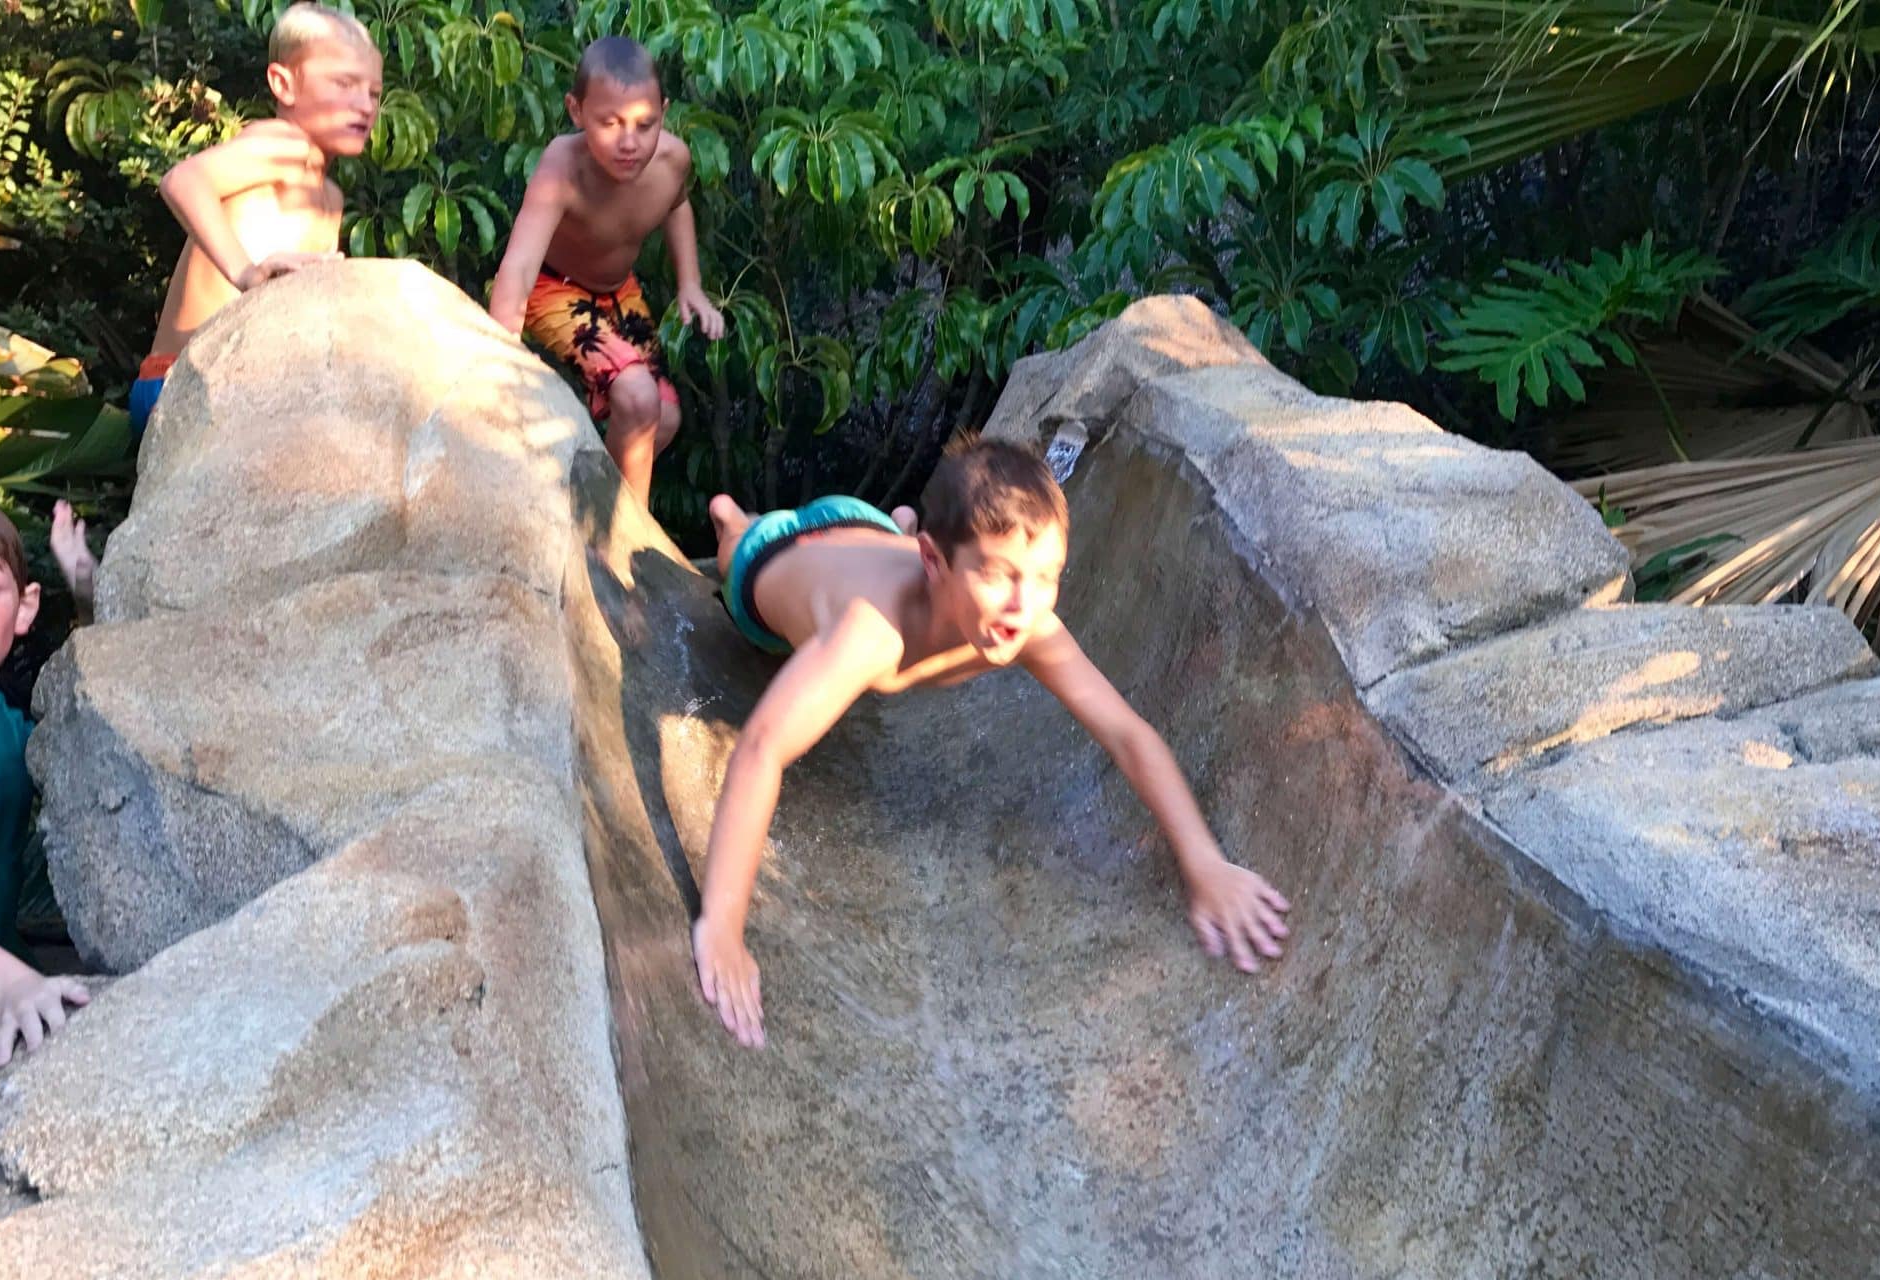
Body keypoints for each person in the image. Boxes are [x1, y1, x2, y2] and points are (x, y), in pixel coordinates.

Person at [694, 437, 1291, 1047]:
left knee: (890, 531)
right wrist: (723, 924)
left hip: (870, 531)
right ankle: (731, 517)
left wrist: (1203, 862)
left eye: (1045, 576)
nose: (1021, 604)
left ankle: (899, 524)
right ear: (936, 562)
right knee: (737, 554)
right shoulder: (868, 634)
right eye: (997, 573)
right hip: (781, 550)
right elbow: (762, 747)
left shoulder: (1023, 621)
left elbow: (1127, 733)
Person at [488, 36, 725, 512]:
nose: (629, 142)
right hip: (553, 287)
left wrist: (690, 284)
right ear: (576, 111)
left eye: (645, 123)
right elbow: (519, 264)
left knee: (664, 417)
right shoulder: (562, 165)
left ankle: (586, 512)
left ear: (664, 111)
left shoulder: (672, 160)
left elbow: (677, 206)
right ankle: (623, 542)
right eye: (610, 123)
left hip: (618, 291)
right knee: (638, 397)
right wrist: (497, 348)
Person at [133, 2, 382, 435]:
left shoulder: (330, 198)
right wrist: (246, 272)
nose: (364, 105)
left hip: (240, 384)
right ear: (284, 84)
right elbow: (183, 180)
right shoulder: (283, 145)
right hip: (181, 382)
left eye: (374, 93)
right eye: (344, 84)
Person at [0, 501, 94, 1065]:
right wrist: (7, 980)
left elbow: (103, 699)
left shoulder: (14, 717)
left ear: (24, 607)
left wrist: (83, 580)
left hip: (7, 987)